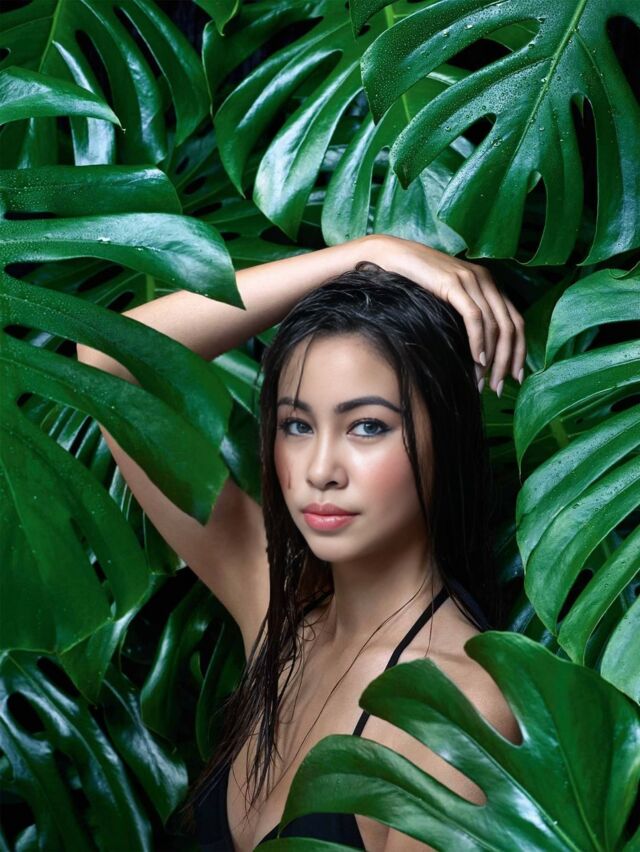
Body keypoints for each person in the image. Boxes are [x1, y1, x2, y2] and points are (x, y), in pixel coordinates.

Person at [77, 234, 525, 851]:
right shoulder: (281, 615)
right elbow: (107, 359)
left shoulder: (454, 710)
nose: (320, 470)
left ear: (444, 436)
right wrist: (366, 254)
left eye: (367, 426)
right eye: (297, 424)